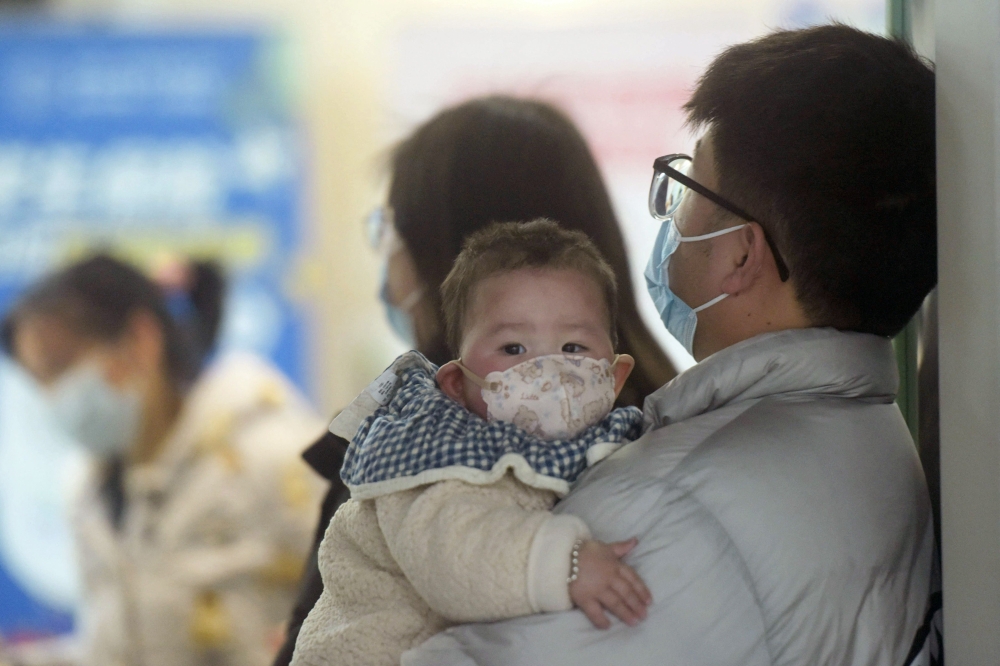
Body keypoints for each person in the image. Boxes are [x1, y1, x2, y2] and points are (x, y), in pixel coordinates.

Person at [402, 24, 938, 666]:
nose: (672, 216)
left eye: (688, 193)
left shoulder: (668, 506)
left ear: (741, 253)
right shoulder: (866, 434)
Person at [272, 95, 676, 666]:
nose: (389, 266)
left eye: (391, 231)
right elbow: (449, 547)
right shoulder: (428, 448)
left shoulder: (618, 431)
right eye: (513, 348)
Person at [291, 220, 652, 666]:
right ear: (457, 384)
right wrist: (568, 563)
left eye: (574, 347)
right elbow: (454, 557)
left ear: (614, 378)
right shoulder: (435, 456)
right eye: (514, 349)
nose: (547, 368)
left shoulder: (619, 445)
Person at [1, 255, 326, 666]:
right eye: (40, 384)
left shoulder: (278, 455)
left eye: (62, 368)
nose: (56, 400)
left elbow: (359, 618)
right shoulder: (91, 490)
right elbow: (119, 649)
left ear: (140, 338)